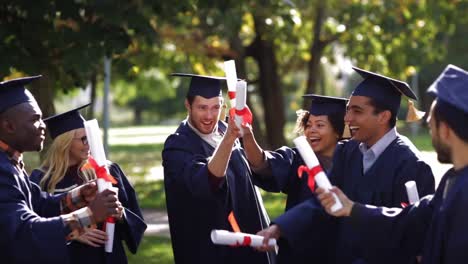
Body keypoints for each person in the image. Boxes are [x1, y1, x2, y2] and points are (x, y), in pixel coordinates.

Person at [257, 66, 436, 264]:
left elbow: (410, 232)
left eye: (357, 111)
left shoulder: (411, 165)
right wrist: (280, 228)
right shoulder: (348, 152)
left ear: (383, 116)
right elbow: (325, 201)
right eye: (348, 109)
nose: (347, 118)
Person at [317, 64, 468, 264]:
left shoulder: (461, 189)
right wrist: (353, 209)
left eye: (431, 126)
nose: (430, 133)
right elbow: (409, 218)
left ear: (446, 130)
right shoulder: (452, 182)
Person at [0, 75, 121, 263]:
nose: (43, 127)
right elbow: (23, 233)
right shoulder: (2, 170)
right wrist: (90, 214)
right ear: (8, 126)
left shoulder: (10, 162)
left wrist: (81, 195)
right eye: (35, 120)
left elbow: (39, 204)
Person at [162, 73, 274, 264]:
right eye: (202, 108)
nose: (209, 116)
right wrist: (230, 138)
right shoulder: (178, 145)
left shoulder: (226, 129)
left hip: (250, 241)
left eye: (215, 107)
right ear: (188, 105)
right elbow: (205, 183)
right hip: (210, 250)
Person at [29, 104, 147, 264]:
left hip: (109, 256)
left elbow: (135, 218)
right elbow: (36, 225)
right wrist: (73, 231)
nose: (89, 144)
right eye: (83, 139)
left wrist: (121, 215)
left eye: (90, 137)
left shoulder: (107, 170)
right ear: (65, 143)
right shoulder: (41, 179)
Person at [242, 94, 348, 263]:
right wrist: (247, 135)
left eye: (320, 125)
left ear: (338, 130)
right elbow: (264, 164)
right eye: (309, 124)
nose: (311, 130)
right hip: (297, 252)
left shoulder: (353, 163)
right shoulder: (298, 157)